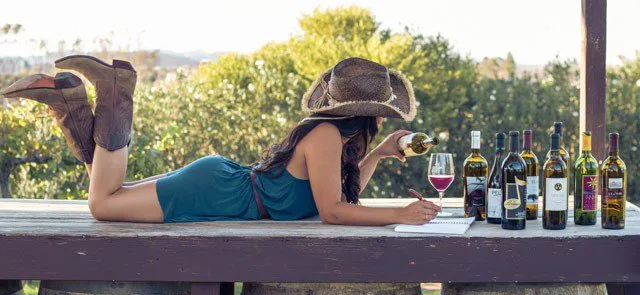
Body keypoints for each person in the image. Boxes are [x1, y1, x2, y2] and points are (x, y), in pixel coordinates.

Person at [1, 56, 440, 225]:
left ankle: (69, 101)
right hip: (218, 191)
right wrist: (397, 213)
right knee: (102, 205)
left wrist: (379, 156)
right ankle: (114, 90)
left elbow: (340, 194)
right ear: (373, 115)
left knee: (107, 192)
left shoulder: (329, 139)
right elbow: (332, 212)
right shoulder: (326, 135)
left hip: (221, 184)